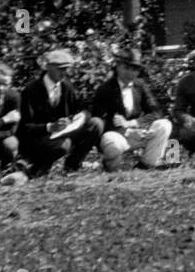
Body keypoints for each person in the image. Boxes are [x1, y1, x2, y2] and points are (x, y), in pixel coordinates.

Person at [19, 49, 102, 177]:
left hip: (63, 133)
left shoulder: (66, 87)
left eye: (66, 69)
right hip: (40, 138)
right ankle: (37, 169)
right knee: (63, 145)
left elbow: (81, 108)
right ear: (48, 67)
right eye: (60, 69)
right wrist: (50, 126)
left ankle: (72, 166)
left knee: (96, 124)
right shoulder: (31, 90)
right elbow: (24, 127)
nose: (64, 73)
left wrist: (82, 115)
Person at [92, 48, 173, 172]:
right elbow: (99, 122)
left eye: (135, 69)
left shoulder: (140, 85)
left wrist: (135, 124)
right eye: (126, 68)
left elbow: (156, 112)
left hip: (138, 132)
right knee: (112, 143)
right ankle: (112, 169)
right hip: (116, 135)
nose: (130, 73)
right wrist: (126, 131)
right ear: (118, 66)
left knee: (164, 125)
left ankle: (147, 165)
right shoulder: (105, 89)